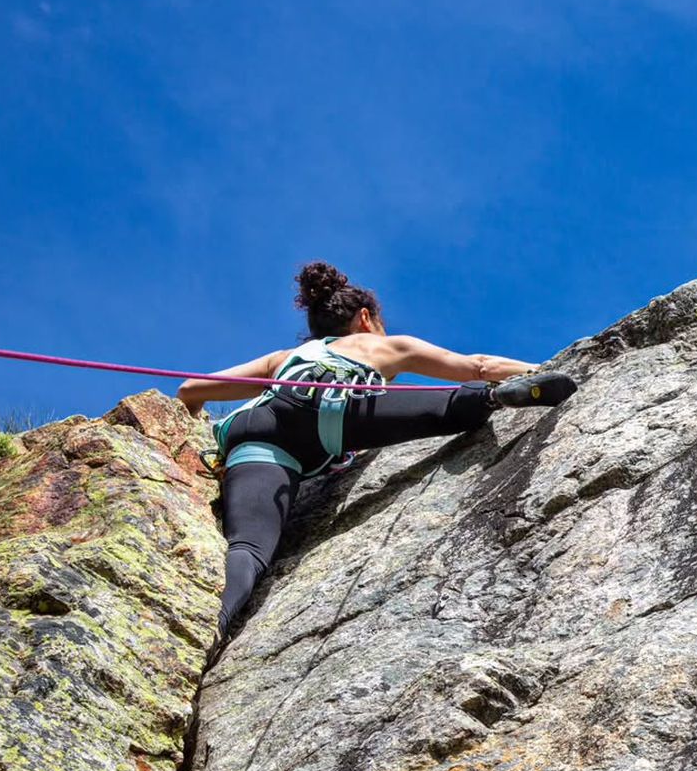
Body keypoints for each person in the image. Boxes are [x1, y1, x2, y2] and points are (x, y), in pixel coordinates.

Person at [177, 262, 577, 642]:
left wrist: (184, 432)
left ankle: (217, 624)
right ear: (366, 318)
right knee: (444, 409)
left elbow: (191, 391)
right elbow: (478, 365)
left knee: (249, 545)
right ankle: (492, 400)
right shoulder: (380, 345)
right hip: (332, 413)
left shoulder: (282, 359)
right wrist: (551, 365)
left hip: (257, 434)